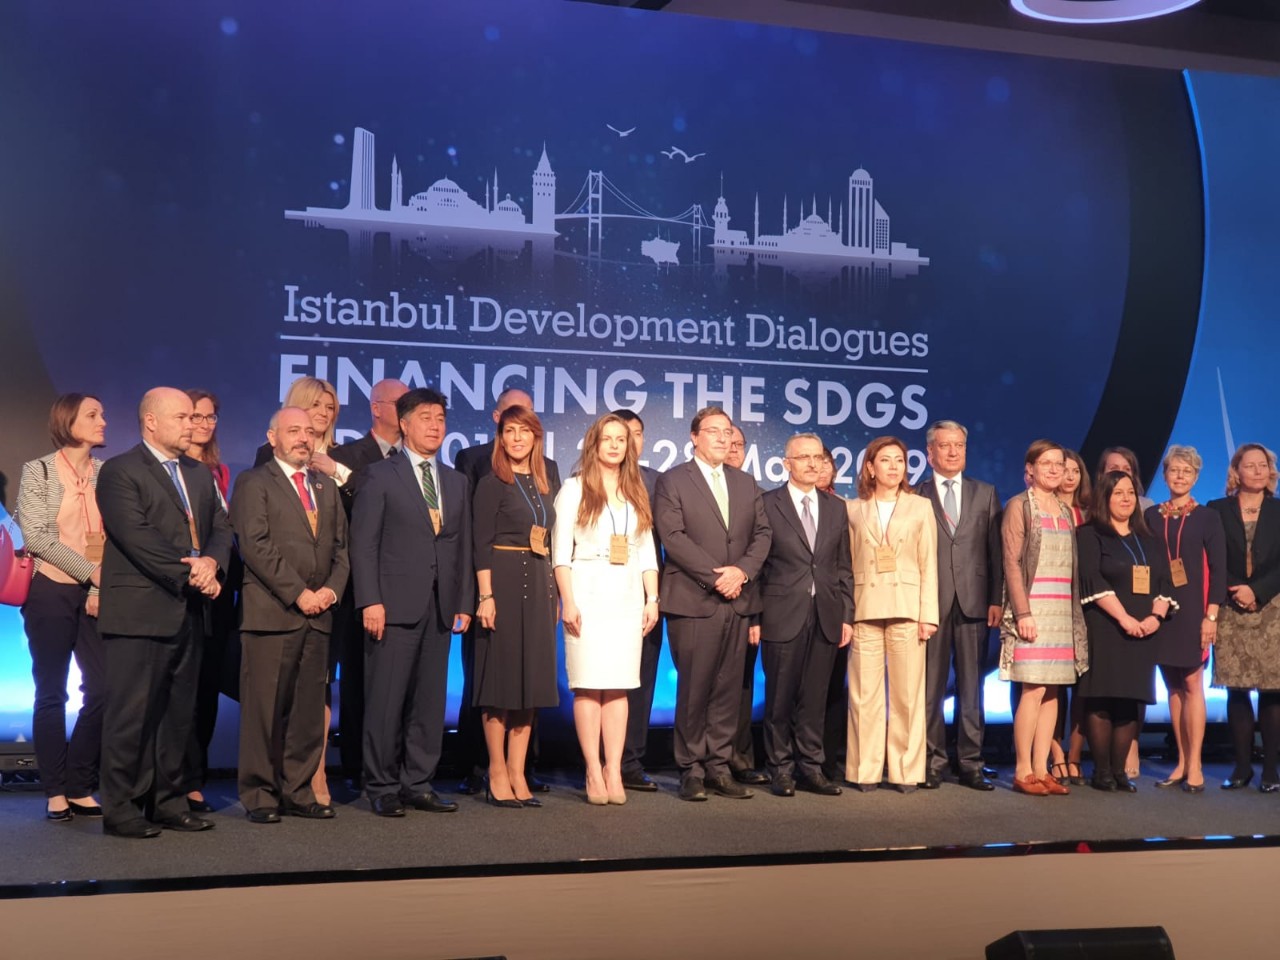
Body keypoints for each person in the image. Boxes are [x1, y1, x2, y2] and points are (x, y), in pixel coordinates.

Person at [95, 387, 233, 838]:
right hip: (141, 610)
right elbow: (137, 537)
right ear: (151, 421)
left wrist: (212, 563)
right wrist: (192, 573)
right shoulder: (120, 471)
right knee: (132, 715)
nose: (192, 425)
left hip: (189, 612)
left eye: (195, 417)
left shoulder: (198, 473)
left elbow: (221, 527)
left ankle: (168, 802)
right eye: (182, 417)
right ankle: (122, 807)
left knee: (178, 715)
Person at [351, 388, 473, 817]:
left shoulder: (456, 482)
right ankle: (381, 785)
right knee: (385, 702)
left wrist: (463, 601)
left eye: (440, 417)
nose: (435, 425)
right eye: (425, 417)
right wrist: (370, 600)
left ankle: (418, 782)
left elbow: (462, 547)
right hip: (393, 607)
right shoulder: (380, 476)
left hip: (440, 609)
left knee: (428, 701)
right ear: (403, 424)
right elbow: (363, 544)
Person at [230, 407, 348, 822]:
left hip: (320, 616)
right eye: (293, 430)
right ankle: (260, 795)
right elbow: (255, 545)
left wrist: (331, 591)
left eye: (310, 431)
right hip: (272, 615)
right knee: (264, 710)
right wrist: (299, 594)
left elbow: (340, 550)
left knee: (307, 710)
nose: (304, 437)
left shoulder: (326, 486)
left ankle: (298, 792)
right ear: (272, 437)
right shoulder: (253, 482)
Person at [654, 406, 771, 801]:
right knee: (695, 688)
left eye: (727, 432)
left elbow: (763, 534)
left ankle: (719, 766)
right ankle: (690, 768)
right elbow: (673, 536)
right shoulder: (673, 481)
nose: (722, 438)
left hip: (737, 598)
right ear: (694, 437)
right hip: (694, 599)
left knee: (726, 689)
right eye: (713, 431)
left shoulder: (745, 482)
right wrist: (718, 575)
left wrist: (741, 572)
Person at [453, 387, 562, 796]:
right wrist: (485, 595)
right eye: (510, 431)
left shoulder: (543, 481)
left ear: (536, 437)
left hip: (537, 582)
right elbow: (479, 542)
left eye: (525, 431)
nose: (517, 438)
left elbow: (548, 539)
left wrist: (554, 593)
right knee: (498, 684)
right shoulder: (490, 481)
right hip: (499, 580)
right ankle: (496, 771)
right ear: (500, 435)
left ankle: (519, 772)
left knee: (529, 683)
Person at [553, 414, 659, 804]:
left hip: (627, 595)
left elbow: (647, 551)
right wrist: (568, 600)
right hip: (588, 591)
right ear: (593, 445)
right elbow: (560, 553)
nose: (615, 445)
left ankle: (615, 768)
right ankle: (592, 769)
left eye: (621, 439)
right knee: (588, 687)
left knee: (619, 689)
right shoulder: (574, 489)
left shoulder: (636, 491)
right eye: (607, 439)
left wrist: (652, 599)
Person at [16, 394, 109, 821]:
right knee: (51, 691)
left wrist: (95, 589)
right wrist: (90, 573)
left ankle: (79, 782)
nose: (103, 421)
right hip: (49, 592)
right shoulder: (37, 471)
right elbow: (35, 537)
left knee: (104, 689)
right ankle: (55, 790)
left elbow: (110, 540)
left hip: (95, 594)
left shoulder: (105, 474)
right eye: (93, 415)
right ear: (68, 421)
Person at [750, 433, 852, 797]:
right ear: (786, 464)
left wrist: (847, 615)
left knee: (815, 698)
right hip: (781, 613)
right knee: (779, 698)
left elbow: (843, 567)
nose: (812, 463)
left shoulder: (836, 508)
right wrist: (755, 617)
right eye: (804, 457)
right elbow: (757, 565)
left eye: (818, 457)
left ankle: (811, 767)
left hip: (826, 614)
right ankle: (780, 768)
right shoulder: (766, 503)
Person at [845, 436, 938, 792]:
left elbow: (929, 563)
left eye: (899, 460)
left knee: (907, 696)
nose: (894, 466)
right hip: (865, 608)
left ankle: (905, 771)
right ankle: (864, 770)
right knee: (864, 694)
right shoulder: (853, 509)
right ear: (870, 467)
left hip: (908, 609)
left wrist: (928, 614)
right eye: (885, 460)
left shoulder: (919, 507)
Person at [329, 378, 409, 790]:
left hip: (406, 584)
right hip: (357, 586)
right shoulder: (345, 456)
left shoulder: (415, 460)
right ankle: (357, 767)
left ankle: (395, 763)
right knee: (359, 677)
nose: (407, 410)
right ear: (377, 408)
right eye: (400, 403)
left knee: (398, 682)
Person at [1076, 470, 1174, 792]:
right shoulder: (1090, 534)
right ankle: (1101, 772)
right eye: (1118, 493)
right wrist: (1125, 619)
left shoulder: (1148, 538)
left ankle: (1119, 772)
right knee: (1102, 700)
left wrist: (1155, 619)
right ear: (1105, 497)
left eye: (1130, 492)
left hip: (1144, 632)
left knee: (1131, 702)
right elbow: (1092, 579)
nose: (1126, 499)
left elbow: (1164, 582)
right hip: (1106, 628)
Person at [998, 440, 1085, 797]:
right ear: (1030, 469)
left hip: (1061, 613)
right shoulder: (1019, 506)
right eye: (1046, 463)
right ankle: (1022, 769)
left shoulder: (1065, 511)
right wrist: (1023, 613)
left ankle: (1041, 768)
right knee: (1032, 690)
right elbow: (1012, 562)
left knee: (1052, 692)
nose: (1054, 469)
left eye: (1059, 464)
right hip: (1032, 610)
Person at [919, 420, 1002, 791]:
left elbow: (995, 553)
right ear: (930, 453)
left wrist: (994, 599)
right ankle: (931, 761)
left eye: (959, 446)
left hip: (973, 603)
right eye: (945, 445)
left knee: (972, 688)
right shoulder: (915, 495)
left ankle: (970, 762)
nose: (953, 452)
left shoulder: (985, 493)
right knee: (930, 689)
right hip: (930, 605)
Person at [1144, 446, 1225, 794]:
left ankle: (1196, 765)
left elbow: (1219, 570)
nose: (1179, 476)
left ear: (1195, 478)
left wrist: (1211, 616)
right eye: (1174, 471)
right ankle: (1180, 760)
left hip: (1195, 611)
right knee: (1173, 687)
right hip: (1162, 610)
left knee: (1192, 685)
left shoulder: (1207, 517)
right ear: (1165, 476)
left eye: (1186, 472)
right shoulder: (1150, 517)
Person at [1208, 443, 1280, 792]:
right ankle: (1240, 768)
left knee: (1272, 691)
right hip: (1230, 605)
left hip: (1272, 609)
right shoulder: (1217, 509)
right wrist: (1236, 588)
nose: (1256, 470)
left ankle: (1269, 771)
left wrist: (1259, 591)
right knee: (1236, 690)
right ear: (1236, 471)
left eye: (1262, 465)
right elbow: (1212, 557)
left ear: (1270, 471)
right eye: (1249, 465)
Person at [181, 388, 233, 813]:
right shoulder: (161, 468)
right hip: (175, 585)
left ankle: (194, 779)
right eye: (195, 416)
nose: (202, 424)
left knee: (206, 689)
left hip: (215, 591)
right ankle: (167, 777)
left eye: (210, 417)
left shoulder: (221, 471)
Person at [612, 408, 664, 792]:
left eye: (637, 433)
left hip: (645, 596)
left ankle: (631, 761)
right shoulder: (585, 481)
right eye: (622, 433)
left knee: (642, 680)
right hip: (602, 595)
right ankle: (601, 760)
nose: (631, 440)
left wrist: (654, 595)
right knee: (605, 682)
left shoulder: (659, 483)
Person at [725, 422, 767, 786]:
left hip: (746, 608)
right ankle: (705, 758)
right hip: (705, 602)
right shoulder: (689, 489)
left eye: (739, 444)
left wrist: (755, 614)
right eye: (726, 441)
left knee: (741, 686)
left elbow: (762, 562)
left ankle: (738, 757)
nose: (732, 448)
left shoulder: (757, 495)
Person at [1049, 448, 1092, 785]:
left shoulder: (1091, 515)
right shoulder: (1045, 511)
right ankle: (1054, 754)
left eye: (1075, 470)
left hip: (1087, 608)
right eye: (1064, 469)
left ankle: (1075, 756)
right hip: (1052, 606)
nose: (1069, 476)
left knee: (1082, 686)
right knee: (1051, 686)